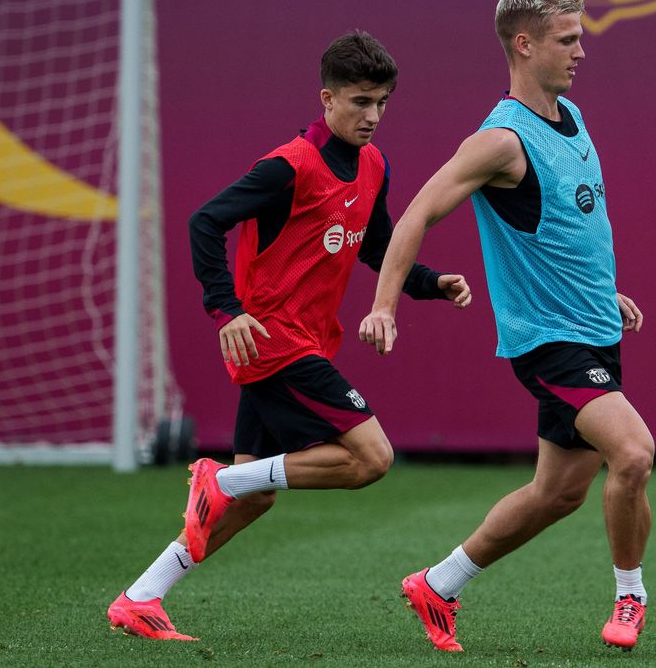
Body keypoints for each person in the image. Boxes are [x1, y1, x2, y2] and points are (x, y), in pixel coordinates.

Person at [106, 31, 472, 640]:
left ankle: (142, 596)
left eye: (382, 102)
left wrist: (429, 283)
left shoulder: (374, 165)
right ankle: (216, 480)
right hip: (273, 343)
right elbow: (205, 222)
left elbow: (376, 247)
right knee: (371, 458)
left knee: (255, 496)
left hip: (306, 339)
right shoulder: (288, 167)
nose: (373, 116)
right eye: (359, 101)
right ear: (327, 99)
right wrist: (227, 310)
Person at [361, 0, 655, 652]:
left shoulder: (571, 117)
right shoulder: (498, 141)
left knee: (557, 493)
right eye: (568, 38)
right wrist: (384, 304)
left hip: (594, 329)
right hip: (548, 343)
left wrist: (603, 290)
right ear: (524, 44)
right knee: (634, 454)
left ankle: (438, 584)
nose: (582, 50)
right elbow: (417, 214)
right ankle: (631, 597)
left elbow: (569, 225)